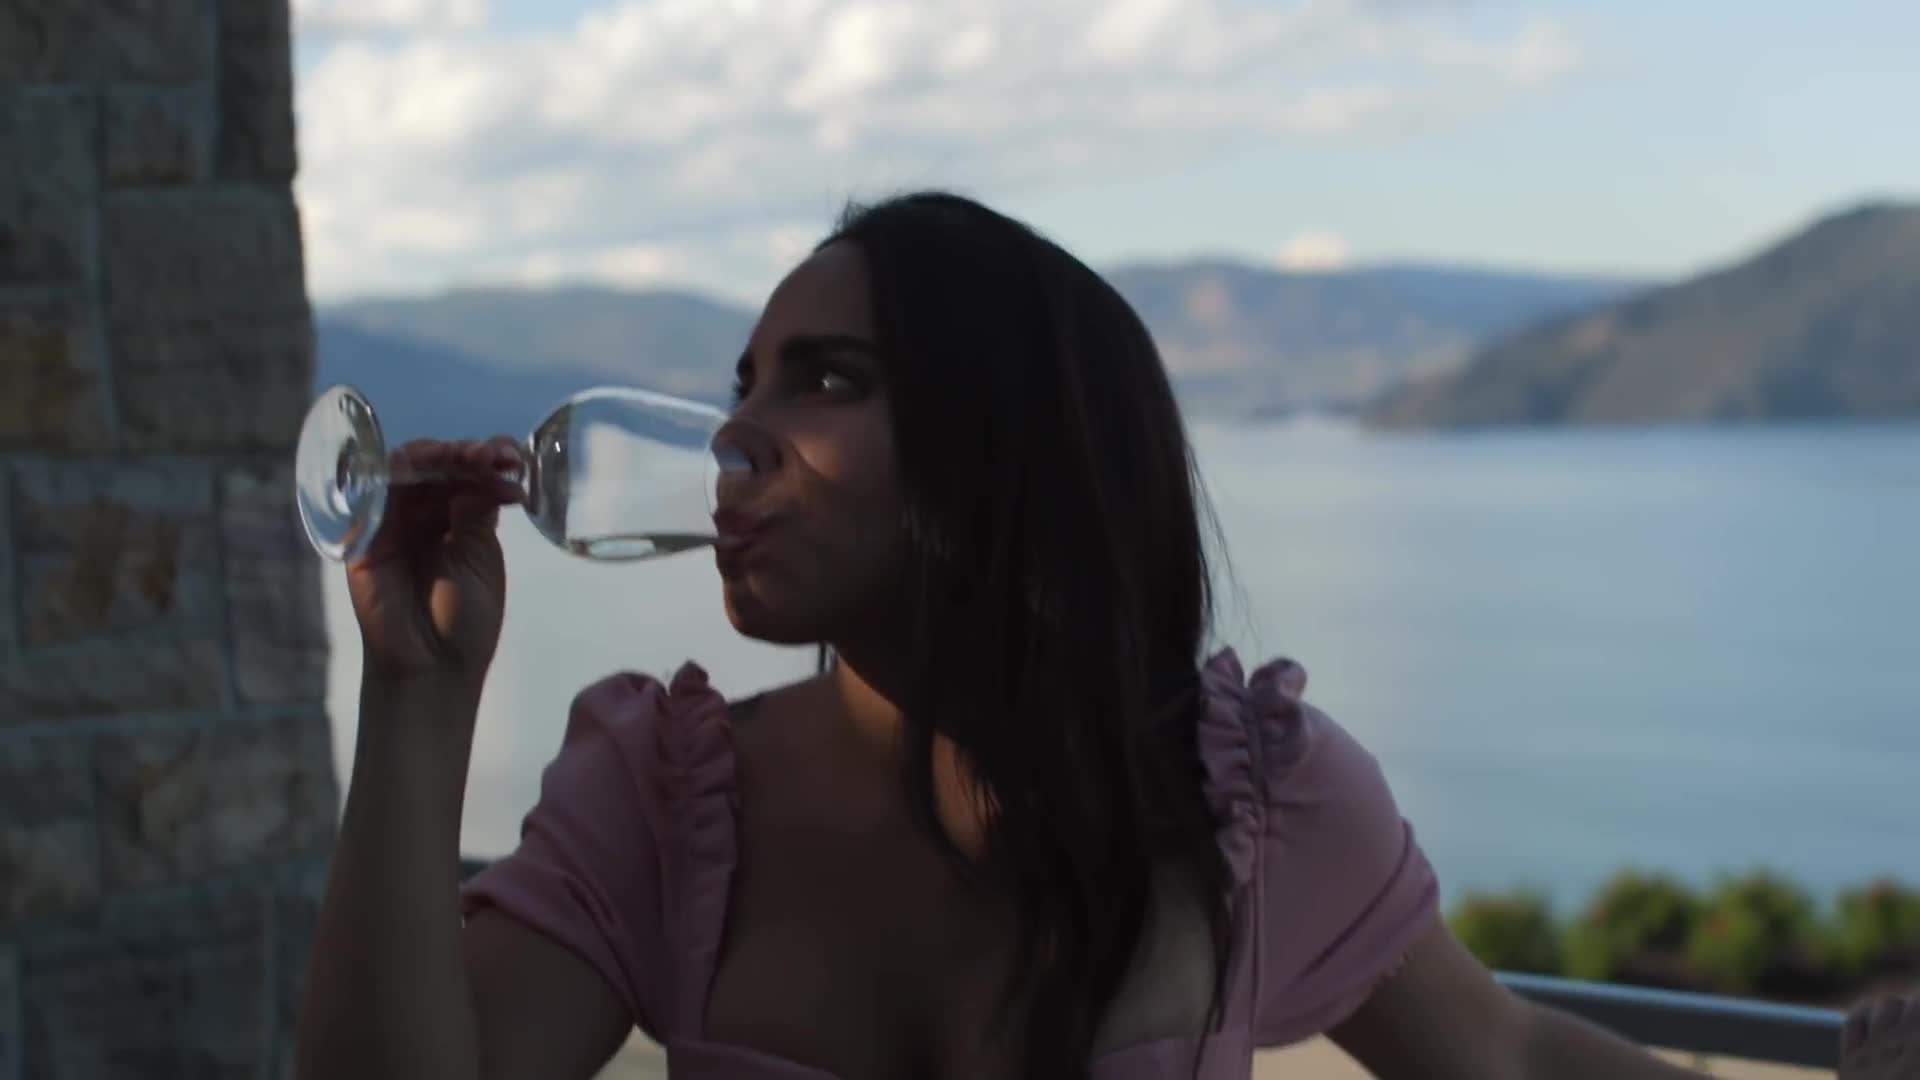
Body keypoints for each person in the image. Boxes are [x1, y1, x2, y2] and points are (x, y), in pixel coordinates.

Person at [297, 192, 1747, 1079]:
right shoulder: (667, 803)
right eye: (746, 384)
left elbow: (1515, 1053)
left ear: (1008, 442)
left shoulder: (1248, 796)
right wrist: (418, 698)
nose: (739, 436)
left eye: (825, 381)